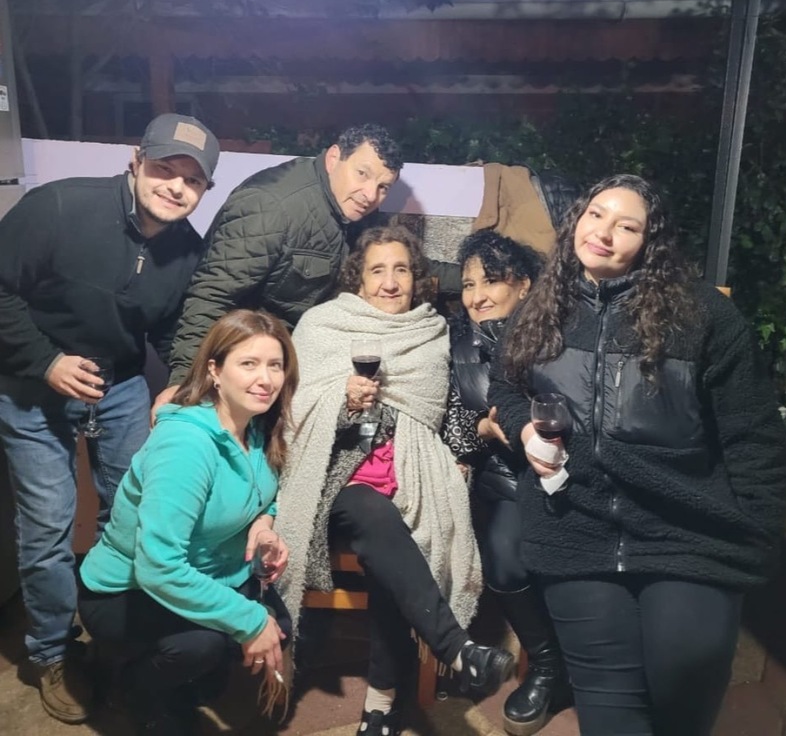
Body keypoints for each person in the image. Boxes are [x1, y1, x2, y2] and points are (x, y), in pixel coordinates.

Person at [488, 174, 786, 736]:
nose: (603, 233)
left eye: (626, 226)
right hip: (574, 528)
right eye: (595, 215)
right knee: (610, 714)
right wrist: (525, 431)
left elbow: (755, 439)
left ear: (650, 242)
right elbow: (506, 387)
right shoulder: (542, 305)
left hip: (689, 531)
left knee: (683, 680)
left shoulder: (702, 316)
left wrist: (753, 540)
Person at [0, 112, 219, 724]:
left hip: (117, 384)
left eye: (192, 180)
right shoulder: (58, 207)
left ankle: (118, 637)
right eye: (165, 168)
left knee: (133, 513)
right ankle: (52, 653)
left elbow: (175, 328)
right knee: (48, 525)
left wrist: (181, 381)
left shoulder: (187, 249)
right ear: (135, 159)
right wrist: (46, 361)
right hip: (30, 382)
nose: (176, 187)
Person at [275, 225, 514, 736]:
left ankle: (381, 703)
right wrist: (341, 402)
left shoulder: (432, 332)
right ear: (358, 280)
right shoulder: (322, 325)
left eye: (401, 269)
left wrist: (460, 453)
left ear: (416, 277)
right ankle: (455, 650)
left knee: (394, 542)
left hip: (414, 476)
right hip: (335, 481)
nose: (390, 282)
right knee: (373, 511)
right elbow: (292, 412)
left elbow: (444, 414)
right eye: (377, 270)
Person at [77, 309, 296, 735]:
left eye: (275, 365)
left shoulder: (256, 427)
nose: (266, 379)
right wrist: (248, 620)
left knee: (277, 628)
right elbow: (158, 567)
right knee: (206, 644)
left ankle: (178, 678)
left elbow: (262, 496)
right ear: (214, 370)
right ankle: (128, 686)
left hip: (207, 572)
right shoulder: (185, 445)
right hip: (129, 589)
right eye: (248, 363)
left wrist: (263, 526)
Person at [160, 123, 462, 404]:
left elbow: (404, 263)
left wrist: (477, 278)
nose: (370, 194)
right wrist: (184, 383)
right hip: (242, 361)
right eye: (362, 174)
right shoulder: (271, 206)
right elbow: (211, 297)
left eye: (383, 187)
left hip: (297, 360)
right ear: (333, 158)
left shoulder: (354, 210)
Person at [442, 229, 568, 736]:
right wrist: (482, 429)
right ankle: (547, 665)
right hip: (500, 475)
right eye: (468, 285)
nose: (477, 296)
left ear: (524, 284)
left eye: (491, 281)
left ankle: (590, 661)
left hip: (570, 471)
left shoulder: (559, 333)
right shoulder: (455, 341)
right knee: (505, 555)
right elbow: (450, 424)